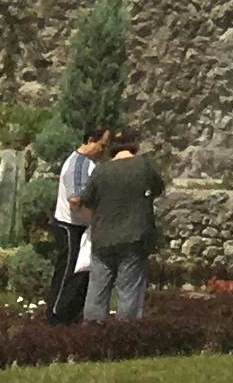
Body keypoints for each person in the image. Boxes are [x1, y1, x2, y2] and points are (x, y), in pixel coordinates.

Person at [79, 128, 168, 320]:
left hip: (102, 238)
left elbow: (85, 200)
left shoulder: (101, 170)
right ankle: (125, 332)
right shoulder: (143, 166)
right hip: (134, 237)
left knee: (97, 292)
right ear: (134, 144)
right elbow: (158, 188)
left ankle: (92, 330)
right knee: (129, 292)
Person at [46, 125, 107, 324]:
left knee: (80, 275)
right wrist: (96, 218)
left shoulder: (89, 163)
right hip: (70, 226)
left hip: (81, 226)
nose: (103, 151)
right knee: (67, 273)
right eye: (101, 145)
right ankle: (56, 315)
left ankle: (70, 314)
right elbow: (76, 200)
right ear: (90, 140)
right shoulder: (78, 165)